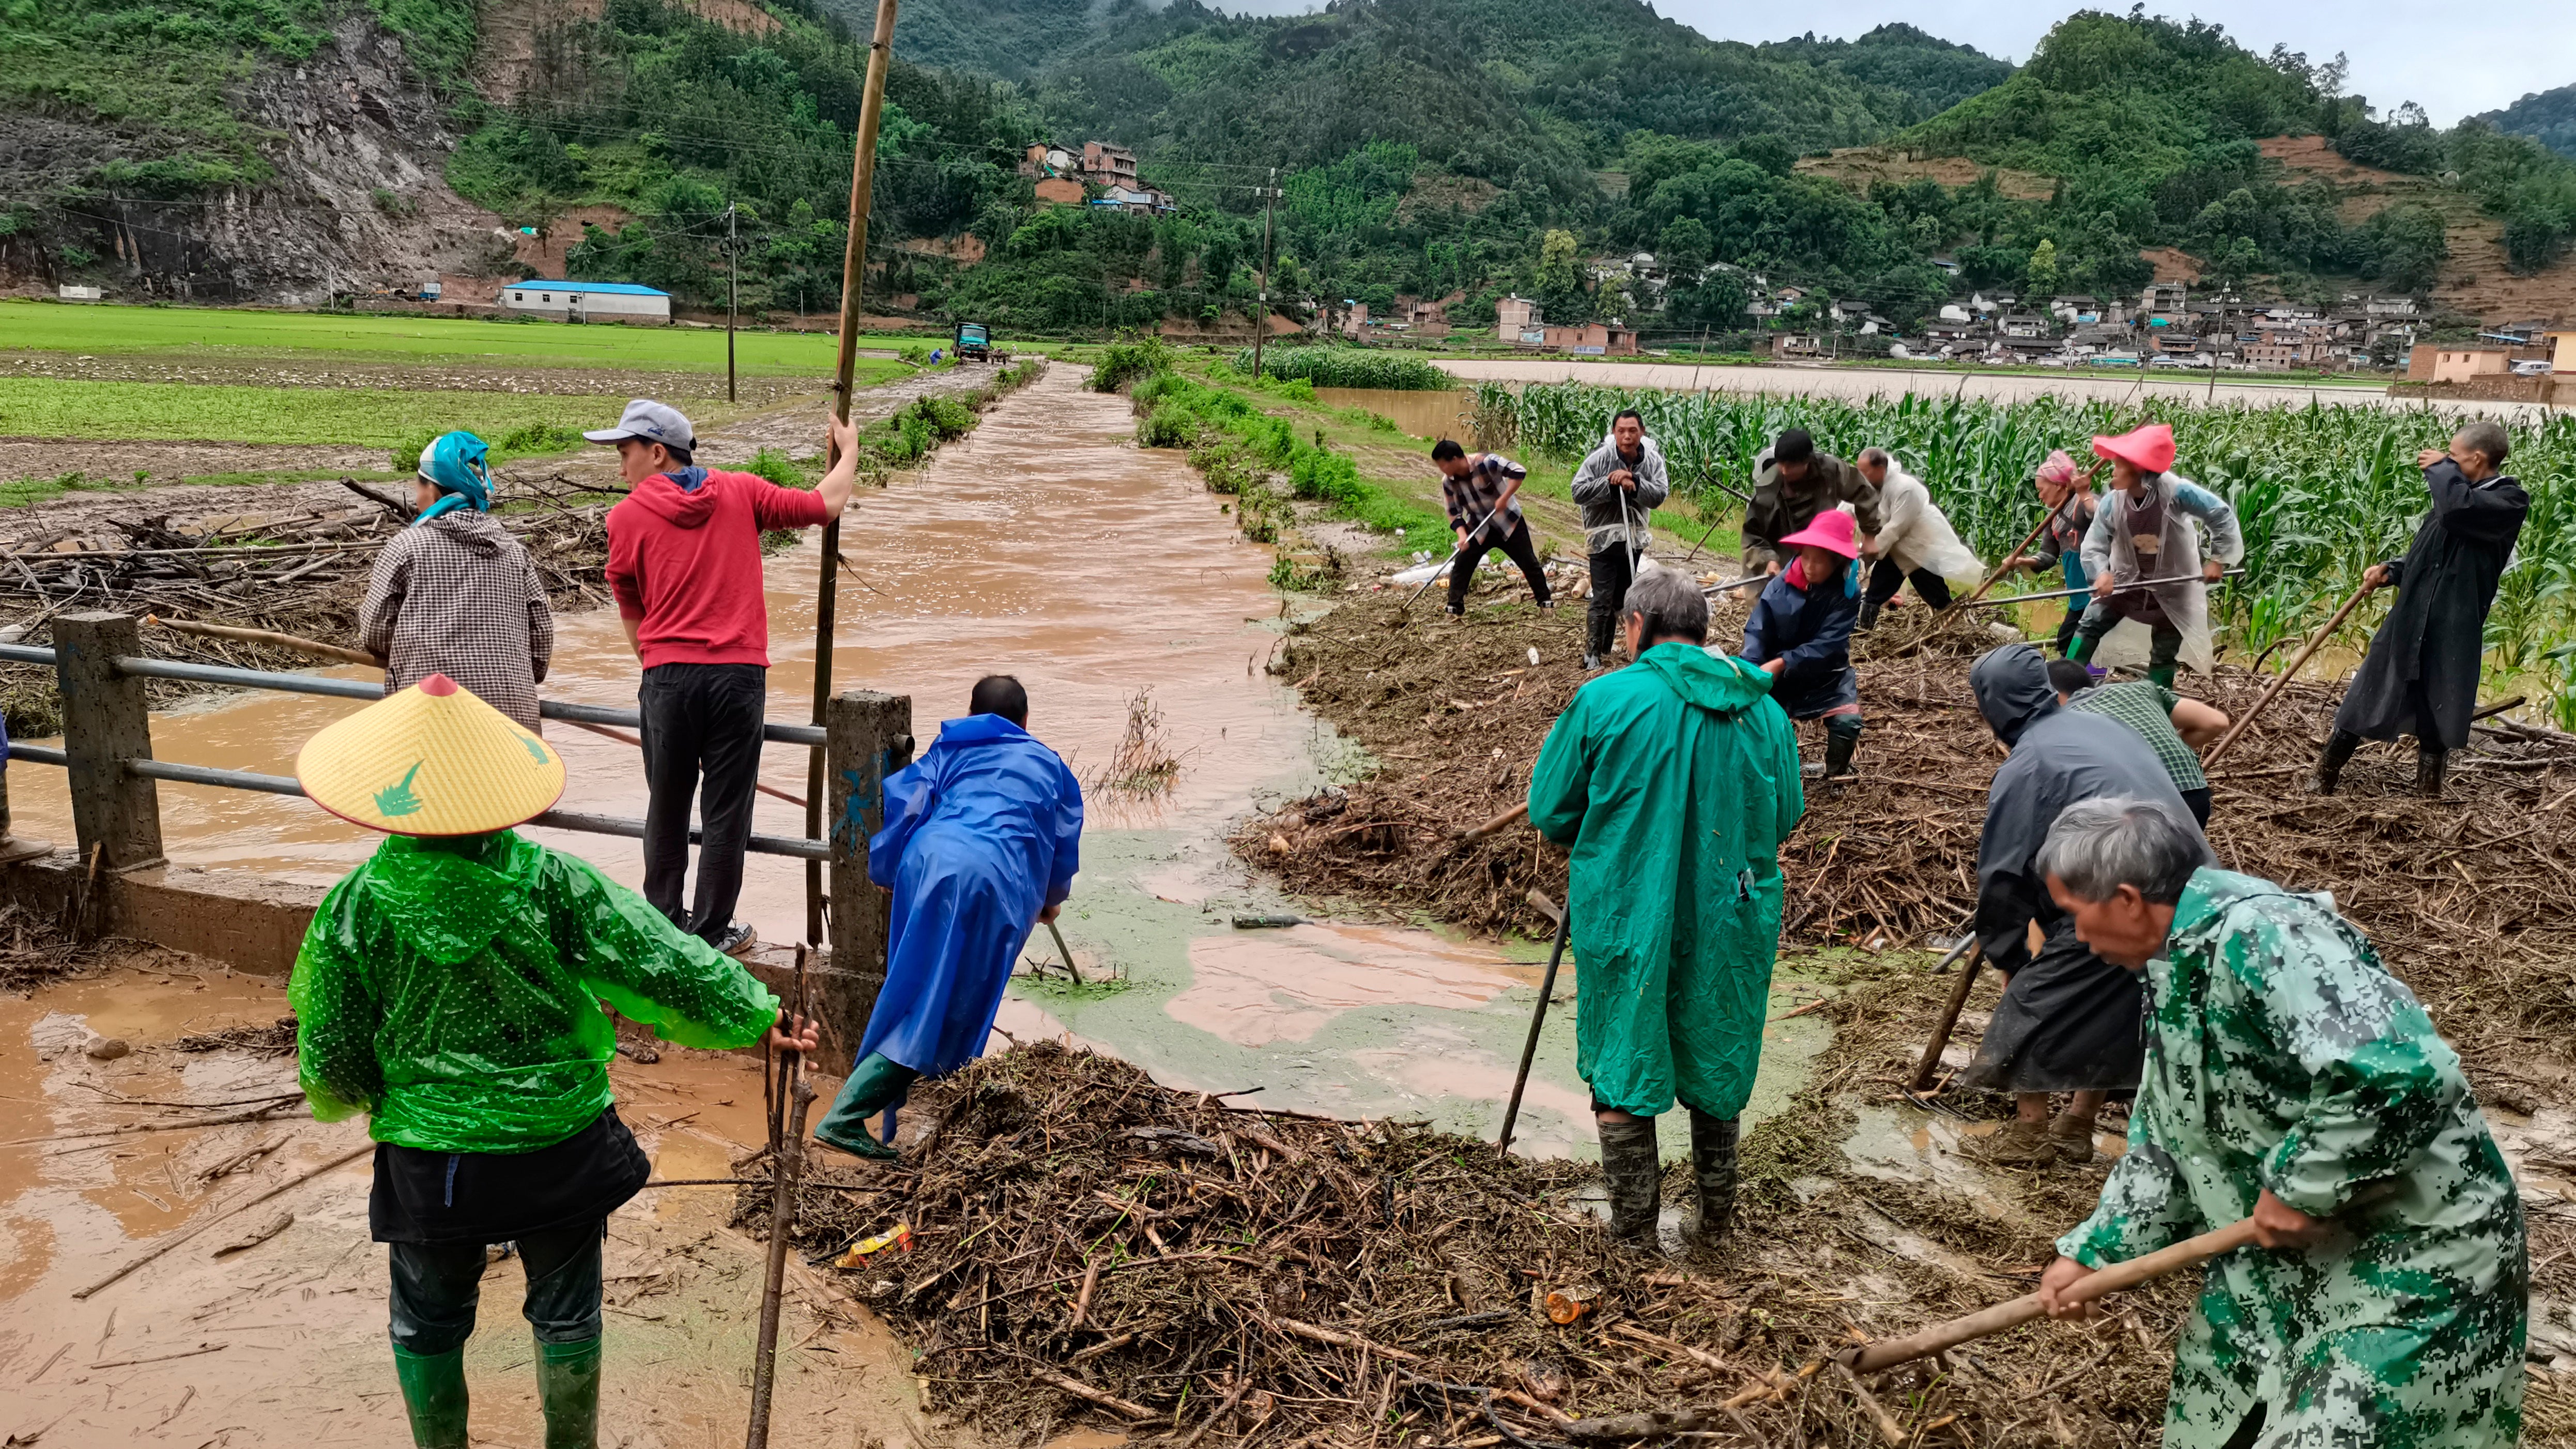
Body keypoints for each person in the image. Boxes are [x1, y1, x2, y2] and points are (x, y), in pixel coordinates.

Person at [287, 673, 817, 1449]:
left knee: (427, 1318)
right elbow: (661, 957)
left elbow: (330, 1054)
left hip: (431, 1164)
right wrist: (757, 1017)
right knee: (567, 1311)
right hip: (557, 1147)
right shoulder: (553, 883)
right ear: (496, 792)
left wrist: (394, 1102)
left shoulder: (355, 905)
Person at [2034, 797, 2526, 1448]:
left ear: (2125, 899)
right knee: (2216, 1424)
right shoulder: (2175, 967)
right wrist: (2092, 1253)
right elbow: (2171, 1141)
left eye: (2075, 916)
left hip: (2406, 1260)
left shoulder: (2267, 935)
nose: (2080, 938)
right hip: (2274, 1269)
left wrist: (2299, 1184)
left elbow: (2401, 1070)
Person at [1528, 564, 1802, 1250]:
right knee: (1717, 1049)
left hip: (1629, 909)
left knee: (1626, 1054)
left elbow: (1551, 810)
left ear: (1636, 627)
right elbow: (1787, 813)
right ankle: (1718, 1229)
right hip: (1732, 911)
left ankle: (1633, 1241)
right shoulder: (1763, 709)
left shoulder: (1603, 702)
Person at [599, 398, 859, 955]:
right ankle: (714, 932)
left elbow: (630, 607)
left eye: (625, 453)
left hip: (669, 676)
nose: (620, 467)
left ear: (657, 452)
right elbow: (823, 504)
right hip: (738, 678)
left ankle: (665, 926)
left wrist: (654, 664)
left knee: (666, 807)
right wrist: (850, 450)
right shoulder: (740, 490)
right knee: (726, 811)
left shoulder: (623, 518)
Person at [812, 674, 1083, 1160]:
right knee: (941, 1002)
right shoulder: (1049, 765)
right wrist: (1051, 900)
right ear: (1025, 721)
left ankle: (917, 1100)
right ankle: (845, 1117)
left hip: (927, 862)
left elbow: (906, 801)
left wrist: (887, 867)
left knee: (918, 986)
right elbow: (1061, 843)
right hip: (991, 877)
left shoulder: (950, 748)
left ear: (973, 712)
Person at [1960, 643, 2207, 1168]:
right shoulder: (2099, 727)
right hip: (2189, 885)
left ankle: (2028, 1135)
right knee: (2117, 1001)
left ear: (1993, 706)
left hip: (2127, 886)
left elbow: (2003, 872)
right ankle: (2077, 1126)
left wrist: (2009, 956)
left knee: (2031, 1000)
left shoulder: (2029, 761)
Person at [2312, 422, 2531, 800]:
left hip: (2453, 623)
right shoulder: (2457, 498)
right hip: (2411, 616)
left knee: (2440, 706)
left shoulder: (2507, 501)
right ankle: (2323, 776)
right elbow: (2428, 553)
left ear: (2477, 459)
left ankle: (2427, 796)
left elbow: (2458, 512)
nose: (2447, 460)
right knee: (2367, 694)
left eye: (2454, 455)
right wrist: (2393, 570)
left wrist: (2440, 468)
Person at [359, 431, 555, 732]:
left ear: (434, 491)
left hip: (430, 713)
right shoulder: (515, 553)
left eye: (419, 485)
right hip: (512, 717)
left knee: (435, 779)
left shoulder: (406, 547)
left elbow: (376, 631)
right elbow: (541, 639)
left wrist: (410, 659)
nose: (415, 497)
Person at [2069, 423, 2242, 689]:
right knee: (2091, 623)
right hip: (2127, 582)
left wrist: (2218, 558)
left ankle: (2158, 701)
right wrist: (2101, 573)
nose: (2112, 472)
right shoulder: (2112, 502)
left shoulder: (2177, 493)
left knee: (2164, 651)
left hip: (2174, 585)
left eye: (2118, 466)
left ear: (2137, 468)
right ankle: (2063, 685)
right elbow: (2094, 544)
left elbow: (2220, 514)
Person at [1740, 508, 1864, 781]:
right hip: (1776, 674)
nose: (1809, 567)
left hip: (1826, 676)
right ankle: (1764, 767)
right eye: (1805, 557)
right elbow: (1758, 630)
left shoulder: (1848, 594)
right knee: (1751, 714)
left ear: (1837, 561)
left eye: (1819, 561)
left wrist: (1784, 662)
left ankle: (1836, 773)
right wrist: (1752, 668)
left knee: (1847, 722)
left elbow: (1828, 644)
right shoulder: (1780, 586)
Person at [2045, 658, 2229, 826]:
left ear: (2056, 695)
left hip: (2133, 813)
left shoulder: (2065, 716)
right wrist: (2163, 752)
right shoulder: (2142, 689)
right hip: (2194, 796)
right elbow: (2215, 722)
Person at [1569, 409, 1670, 669]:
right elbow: (1578, 491)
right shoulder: (1599, 459)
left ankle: (1610, 645)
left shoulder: (1652, 462)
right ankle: (1592, 651)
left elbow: (1659, 495)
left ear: (1642, 432)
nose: (1627, 436)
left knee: (1624, 597)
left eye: (1633, 431)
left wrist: (1634, 482)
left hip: (1633, 538)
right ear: (1614, 433)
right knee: (1601, 595)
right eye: (1621, 431)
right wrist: (1611, 484)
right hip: (1602, 537)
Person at [1853, 446, 1980, 629]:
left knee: (1936, 594)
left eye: (1865, 472)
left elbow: (1896, 528)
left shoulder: (1905, 489)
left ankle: (1956, 628)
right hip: (1896, 552)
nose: (1862, 476)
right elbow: (1851, 506)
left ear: (1880, 469)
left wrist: (1870, 548)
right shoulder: (1872, 487)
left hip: (1918, 551)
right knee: (1876, 592)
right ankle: (1864, 629)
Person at [1431, 439, 1552, 616]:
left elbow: (1519, 471)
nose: (1442, 470)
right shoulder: (1448, 482)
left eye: (1442, 465)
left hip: (1509, 522)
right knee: (1462, 565)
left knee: (1528, 562)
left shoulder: (1487, 463)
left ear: (1455, 459)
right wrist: (1462, 535)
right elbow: (1453, 512)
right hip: (1480, 526)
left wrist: (1505, 497)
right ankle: (1454, 608)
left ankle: (1546, 604)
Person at [1999, 449, 2100, 659]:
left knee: (2074, 639)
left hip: (2097, 585)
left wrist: (2084, 493)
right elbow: (2047, 556)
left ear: (2058, 485)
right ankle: (2079, 676)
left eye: (2042, 489)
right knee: (2069, 639)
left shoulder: (2083, 504)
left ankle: (2080, 678)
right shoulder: (2053, 520)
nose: (2039, 495)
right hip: (2077, 591)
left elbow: (2102, 515)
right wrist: (2021, 561)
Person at [1742, 427, 1881, 577]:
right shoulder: (1768, 487)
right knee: (1769, 595)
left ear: (1807, 462)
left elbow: (1864, 492)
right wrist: (1768, 560)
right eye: (1781, 464)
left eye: (1790, 466)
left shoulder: (1830, 471)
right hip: (1780, 556)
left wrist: (1870, 532)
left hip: (1821, 551)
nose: (1784, 471)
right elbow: (1752, 536)